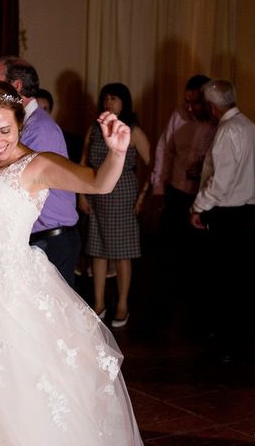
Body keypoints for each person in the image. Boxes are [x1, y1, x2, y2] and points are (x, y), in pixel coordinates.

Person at [0, 80, 143, 445]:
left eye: (5, 130)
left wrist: (117, 153)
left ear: (20, 124)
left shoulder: (37, 165)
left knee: (13, 383)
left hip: (10, 284)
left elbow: (99, 183)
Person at [0, 56, 81, 287]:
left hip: (51, 240)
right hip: (39, 239)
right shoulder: (22, 124)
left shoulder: (40, 128)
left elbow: (12, 180)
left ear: (16, 86)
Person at [190, 79, 255, 362]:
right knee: (237, 277)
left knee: (224, 279)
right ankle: (234, 339)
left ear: (211, 106)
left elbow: (221, 182)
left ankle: (230, 344)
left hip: (227, 212)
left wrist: (198, 207)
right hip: (246, 210)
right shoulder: (249, 126)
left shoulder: (228, 130)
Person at [79, 83, 150, 328]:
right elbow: (83, 160)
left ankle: (122, 303)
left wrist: (142, 197)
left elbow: (152, 164)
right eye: (106, 98)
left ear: (125, 102)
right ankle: (99, 302)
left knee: (122, 251)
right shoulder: (95, 127)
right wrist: (81, 195)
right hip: (96, 189)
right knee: (97, 248)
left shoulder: (133, 130)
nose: (109, 103)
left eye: (115, 99)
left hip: (123, 193)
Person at [149, 75, 214, 331]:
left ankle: (197, 320)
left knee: (199, 261)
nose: (189, 107)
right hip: (176, 192)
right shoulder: (178, 115)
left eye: (195, 102)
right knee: (166, 256)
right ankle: (161, 318)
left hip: (203, 197)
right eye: (186, 101)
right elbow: (164, 150)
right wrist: (158, 188)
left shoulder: (219, 124)